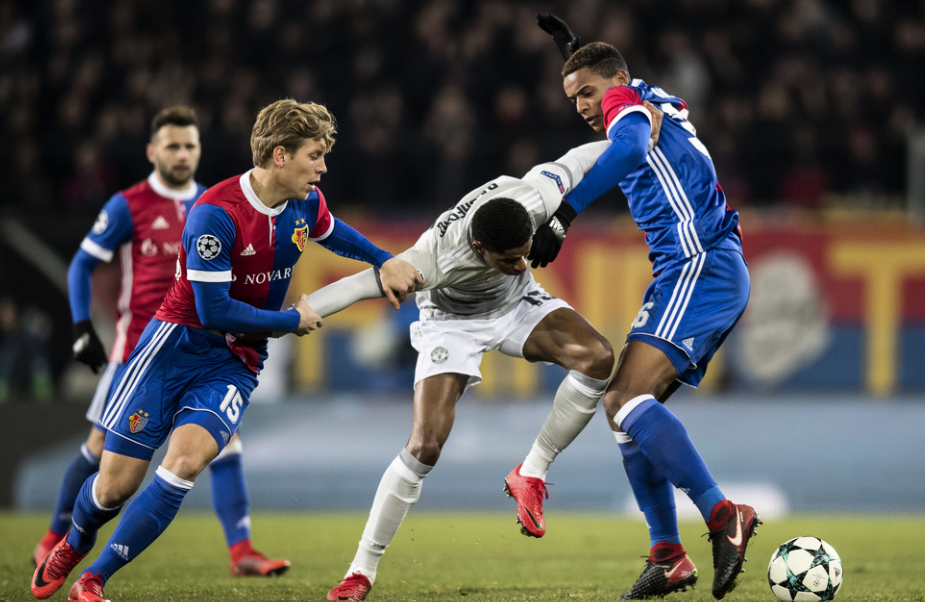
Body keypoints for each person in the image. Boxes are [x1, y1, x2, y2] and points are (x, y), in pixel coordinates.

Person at [31, 99, 422, 602]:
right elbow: (214, 311)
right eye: (315, 156)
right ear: (280, 155)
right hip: (172, 349)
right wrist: (290, 320)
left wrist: (383, 259)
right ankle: (75, 540)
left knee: (186, 463)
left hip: (234, 364)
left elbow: (334, 233)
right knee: (113, 488)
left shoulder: (305, 203)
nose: (323, 168)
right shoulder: (215, 214)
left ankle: (94, 578)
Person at [310, 137, 659, 601]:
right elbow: (357, 285)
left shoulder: (533, 197)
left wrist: (635, 125)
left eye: (524, 252)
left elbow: (578, 159)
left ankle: (530, 473)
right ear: (478, 246)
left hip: (517, 308)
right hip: (451, 323)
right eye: (508, 258)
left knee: (597, 356)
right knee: (424, 446)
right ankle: (361, 571)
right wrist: (296, 315)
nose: (520, 264)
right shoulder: (434, 259)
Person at [516, 16, 759, 600]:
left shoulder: (626, 103)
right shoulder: (642, 94)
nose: (579, 106)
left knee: (624, 399)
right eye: (571, 97)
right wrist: (577, 58)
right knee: (625, 413)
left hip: (698, 263)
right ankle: (667, 555)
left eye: (585, 94)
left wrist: (565, 214)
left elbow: (626, 145)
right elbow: (616, 86)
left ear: (618, 81)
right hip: (694, 268)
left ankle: (724, 517)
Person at [32, 105, 290, 579]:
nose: (183, 154)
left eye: (190, 145)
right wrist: (80, 326)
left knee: (220, 444)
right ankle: (55, 539)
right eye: (172, 145)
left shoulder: (217, 203)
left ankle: (241, 550)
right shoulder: (127, 205)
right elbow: (82, 265)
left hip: (207, 350)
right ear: (152, 152)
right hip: (139, 348)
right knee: (101, 458)